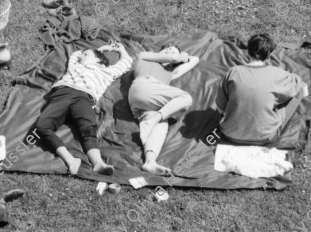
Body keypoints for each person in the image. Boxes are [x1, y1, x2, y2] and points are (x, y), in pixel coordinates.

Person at [34, 42, 132, 175]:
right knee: (42, 126)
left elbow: (126, 62)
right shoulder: (75, 65)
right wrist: (98, 48)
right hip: (62, 93)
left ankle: (98, 163)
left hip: (84, 98)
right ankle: (70, 160)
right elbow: (75, 54)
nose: (82, 56)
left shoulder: (108, 71)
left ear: (99, 59)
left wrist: (121, 49)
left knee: (88, 128)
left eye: (86, 54)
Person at [216, 34, 309, 145]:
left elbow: (221, 107)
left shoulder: (233, 72)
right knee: (297, 91)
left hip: (230, 135)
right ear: (269, 55)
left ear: (248, 51)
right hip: (266, 137)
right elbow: (300, 85)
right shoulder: (277, 75)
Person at [128, 44, 200, 175]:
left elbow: (195, 60)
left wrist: (182, 58)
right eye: (167, 49)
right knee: (186, 98)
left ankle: (150, 162)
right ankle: (154, 119)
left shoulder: (169, 73)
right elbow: (172, 58)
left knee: (161, 125)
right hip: (143, 85)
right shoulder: (145, 56)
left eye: (173, 51)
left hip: (145, 103)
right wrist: (178, 56)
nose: (169, 51)